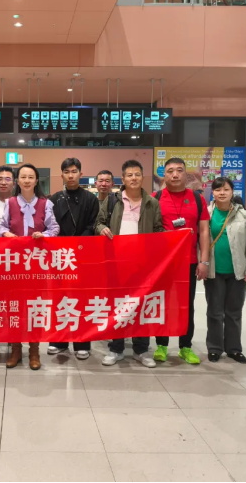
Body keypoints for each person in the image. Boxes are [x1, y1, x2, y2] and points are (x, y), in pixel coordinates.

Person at [96, 160, 163, 368]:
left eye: (137, 174)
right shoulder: (112, 201)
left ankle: (141, 350)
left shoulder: (152, 203)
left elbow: (158, 230)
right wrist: (101, 229)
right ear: (123, 179)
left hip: (142, 265)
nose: (134, 178)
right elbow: (98, 222)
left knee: (142, 305)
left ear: (142, 177)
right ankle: (116, 349)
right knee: (118, 306)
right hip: (117, 263)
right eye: (129, 175)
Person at [0, 163, 60, 370]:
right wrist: (7, 233)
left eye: (30, 177)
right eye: (23, 177)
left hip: (36, 264)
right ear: (17, 181)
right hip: (14, 264)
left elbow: (54, 228)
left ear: (36, 181)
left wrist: (45, 235)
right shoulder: (10, 203)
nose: (26, 180)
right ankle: (16, 349)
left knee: (35, 306)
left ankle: (34, 350)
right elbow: (1, 225)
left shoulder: (45, 203)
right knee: (15, 307)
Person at [152, 157, 210, 365]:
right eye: (170, 171)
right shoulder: (155, 198)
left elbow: (204, 231)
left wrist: (204, 261)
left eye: (179, 170)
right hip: (163, 263)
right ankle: (161, 345)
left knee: (186, 305)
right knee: (162, 304)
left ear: (186, 174)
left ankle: (185, 347)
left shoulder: (197, 199)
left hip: (189, 262)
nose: (175, 174)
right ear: (164, 175)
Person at [47, 158, 99, 360]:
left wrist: (78, 244)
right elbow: (50, 226)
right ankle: (58, 341)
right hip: (59, 257)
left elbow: (93, 225)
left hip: (83, 255)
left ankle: (82, 342)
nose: (71, 175)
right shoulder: (54, 199)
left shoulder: (91, 199)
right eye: (67, 172)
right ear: (61, 175)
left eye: (74, 171)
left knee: (82, 299)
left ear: (81, 174)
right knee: (59, 299)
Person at [204, 177, 246, 364]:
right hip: (214, 271)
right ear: (213, 192)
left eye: (226, 189)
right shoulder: (207, 213)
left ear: (232, 192)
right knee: (215, 312)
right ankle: (214, 348)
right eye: (218, 190)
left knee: (234, 312)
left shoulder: (244, 215)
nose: (222, 193)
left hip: (237, 271)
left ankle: (234, 349)